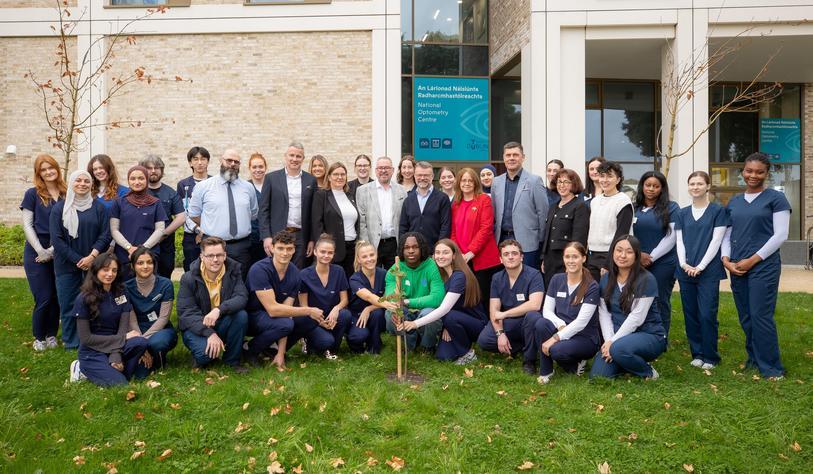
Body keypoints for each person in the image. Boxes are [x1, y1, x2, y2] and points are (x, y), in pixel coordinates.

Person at [722, 152, 790, 380]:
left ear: (767, 174)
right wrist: (726, 261)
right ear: (743, 172)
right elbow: (727, 234)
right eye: (749, 171)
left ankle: (772, 368)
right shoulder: (734, 201)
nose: (753, 175)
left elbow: (780, 235)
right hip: (737, 266)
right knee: (746, 316)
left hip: (763, 266)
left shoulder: (776, 199)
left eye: (759, 172)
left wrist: (753, 259)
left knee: (760, 315)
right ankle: (753, 359)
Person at [396, 239, 486, 364]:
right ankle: (458, 343)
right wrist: (447, 327)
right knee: (443, 356)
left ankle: (467, 354)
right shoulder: (442, 275)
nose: (440, 256)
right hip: (454, 321)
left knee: (449, 315)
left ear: (454, 255)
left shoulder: (459, 276)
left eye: (445, 253)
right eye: (437, 253)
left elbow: (444, 309)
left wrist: (414, 323)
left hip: (475, 324)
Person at [589, 235, 666, 380]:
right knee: (598, 376)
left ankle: (648, 372)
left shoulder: (646, 279)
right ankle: (626, 361)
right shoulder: (606, 279)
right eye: (619, 250)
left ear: (636, 255)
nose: (622, 255)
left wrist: (613, 343)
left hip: (648, 334)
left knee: (619, 350)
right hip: (618, 337)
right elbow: (604, 313)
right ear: (612, 252)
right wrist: (608, 341)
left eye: (629, 252)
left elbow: (637, 318)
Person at [68, 253, 150, 386]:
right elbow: (86, 339)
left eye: (114, 270)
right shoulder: (83, 299)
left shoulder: (122, 292)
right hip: (93, 351)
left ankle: (112, 369)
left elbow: (122, 328)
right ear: (96, 270)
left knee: (140, 342)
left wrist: (115, 356)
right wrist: (123, 339)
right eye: (105, 270)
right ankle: (81, 368)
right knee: (121, 384)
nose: (110, 274)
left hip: (116, 347)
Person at [50, 170, 112, 349]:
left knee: (92, 302)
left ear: (91, 184)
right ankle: (71, 342)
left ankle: (91, 340)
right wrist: (79, 260)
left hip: (93, 264)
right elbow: (57, 240)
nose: (82, 184)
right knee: (69, 304)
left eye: (86, 181)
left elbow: (105, 234)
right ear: (71, 183)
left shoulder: (99, 207)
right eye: (78, 180)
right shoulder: (60, 208)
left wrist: (92, 257)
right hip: (66, 265)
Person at [675, 171, 728, 370]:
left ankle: (711, 356)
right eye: (692, 183)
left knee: (707, 314)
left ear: (707, 187)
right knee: (691, 314)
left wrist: (700, 267)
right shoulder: (682, 213)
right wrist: (683, 265)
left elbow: (716, 241)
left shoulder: (717, 211)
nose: (695, 187)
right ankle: (696, 353)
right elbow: (679, 241)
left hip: (708, 271)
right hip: (685, 271)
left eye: (699, 183)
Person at [177, 237, 249, 372]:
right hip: (196, 327)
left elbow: (241, 297)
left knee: (241, 316)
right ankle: (203, 354)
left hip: (220, 321)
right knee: (205, 356)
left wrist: (219, 310)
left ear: (225, 255)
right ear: (202, 256)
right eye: (210, 255)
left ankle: (232, 361)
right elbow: (186, 313)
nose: (215, 260)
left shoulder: (233, 271)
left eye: (219, 255)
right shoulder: (189, 278)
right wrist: (210, 334)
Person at [534, 242, 600, 384]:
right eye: (567, 257)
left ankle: (576, 364)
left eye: (575, 257)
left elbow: (581, 323)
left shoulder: (592, 286)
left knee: (557, 350)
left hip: (584, 337)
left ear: (583, 258)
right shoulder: (557, 279)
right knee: (540, 323)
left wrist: (555, 338)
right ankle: (546, 371)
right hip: (562, 330)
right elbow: (547, 310)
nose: (571, 261)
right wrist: (560, 324)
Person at [188, 149, 258, 280]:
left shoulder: (248, 187)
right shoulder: (203, 187)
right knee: (213, 283)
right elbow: (194, 214)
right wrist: (212, 225)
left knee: (240, 283)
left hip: (241, 247)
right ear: (221, 161)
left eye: (236, 162)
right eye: (229, 160)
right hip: (212, 246)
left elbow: (253, 214)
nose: (232, 164)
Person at [477, 239, 544, 374]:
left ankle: (529, 360)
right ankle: (519, 346)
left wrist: (505, 314)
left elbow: (535, 304)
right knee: (484, 341)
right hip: (509, 322)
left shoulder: (534, 275)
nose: (511, 257)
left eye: (514, 253)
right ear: (501, 259)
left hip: (527, 321)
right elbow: (494, 310)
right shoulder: (497, 278)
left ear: (521, 257)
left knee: (533, 316)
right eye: (506, 254)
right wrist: (500, 334)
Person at [243, 230, 309, 370]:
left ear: (294, 250)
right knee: (287, 323)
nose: (285, 253)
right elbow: (273, 310)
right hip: (251, 317)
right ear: (272, 248)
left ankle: (273, 349)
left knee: (305, 320)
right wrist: (308, 310)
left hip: (276, 318)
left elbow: (287, 312)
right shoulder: (259, 269)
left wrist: (281, 354)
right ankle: (250, 349)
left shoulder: (295, 273)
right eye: (280, 248)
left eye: (289, 249)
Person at [21, 153, 66, 351]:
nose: (48, 172)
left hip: (60, 248)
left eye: (51, 168)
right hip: (36, 251)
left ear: (57, 169)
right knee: (44, 296)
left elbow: (70, 225)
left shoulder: (66, 193)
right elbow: (27, 224)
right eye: (43, 169)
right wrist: (41, 250)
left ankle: (51, 334)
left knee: (57, 295)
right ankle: (38, 336)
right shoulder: (32, 194)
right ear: (38, 173)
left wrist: (53, 249)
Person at [633, 171, 679, 340]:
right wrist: (638, 256)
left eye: (656, 186)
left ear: (662, 188)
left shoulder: (671, 207)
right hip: (636, 261)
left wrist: (651, 257)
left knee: (659, 300)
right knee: (637, 299)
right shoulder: (634, 207)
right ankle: (641, 335)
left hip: (662, 263)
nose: (651, 189)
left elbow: (671, 236)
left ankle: (661, 337)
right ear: (642, 186)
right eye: (648, 185)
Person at [258, 141, 318, 269]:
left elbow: (313, 213)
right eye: (291, 155)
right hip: (277, 234)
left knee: (298, 271)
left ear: (303, 159)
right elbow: (263, 210)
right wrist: (266, 237)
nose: (294, 159)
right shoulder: (271, 178)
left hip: (301, 236)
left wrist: (312, 239)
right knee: (277, 270)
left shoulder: (311, 180)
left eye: (298, 156)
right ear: (285, 156)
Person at [293, 234, 353, 358]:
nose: (326, 255)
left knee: (345, 315)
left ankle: (332, 350)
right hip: (313, 319)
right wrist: (319, 322)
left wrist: (336, 310)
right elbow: (304, 306)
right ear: (315, 251)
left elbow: (344, 299)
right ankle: (308, 341)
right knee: (325, 341)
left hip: (332, 316)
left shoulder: (339, 271)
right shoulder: (304, 274)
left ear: (334, 254)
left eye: (330, 253)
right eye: (322, 252)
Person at [384, 232, 445, 352]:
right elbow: (390, 295)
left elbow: (437, 297)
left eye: (415, 247)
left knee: (430, 315)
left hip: (425, 309)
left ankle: (427, 346)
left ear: (422, 248)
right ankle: (410, 344)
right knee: (389, 313)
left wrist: (407, 301)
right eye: (407, 247)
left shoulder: (431, 267)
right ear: (402, 250)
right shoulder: (396, 268)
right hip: (406, 312)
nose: (411, 251)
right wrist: (395, 304)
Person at [491, 141, 549, 268]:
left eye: (515, 155)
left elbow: (543, 213)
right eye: (508, 155)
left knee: (527, 279)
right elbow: (494, 213)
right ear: (503, 158)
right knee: (504, 280)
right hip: (502, 241)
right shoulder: (496, 182)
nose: (511, 158)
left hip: (527, 242)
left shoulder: (534, 181)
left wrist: (539, 240)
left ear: (523, 157)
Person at [450, 167, 501, 307]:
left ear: (475, 183)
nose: (466, 183)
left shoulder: (483, 199)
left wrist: (471, 252)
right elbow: (453, 231)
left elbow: (486, 228)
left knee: (483, 298)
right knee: (466, 298)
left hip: (482, 259)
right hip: (463, 259)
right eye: (463, 180)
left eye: (470, 180)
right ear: (459, 183)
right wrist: (459, 254)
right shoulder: (455, 203)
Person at [123, 247, 177, 377]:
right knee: (140, 375)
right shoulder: (126, 287)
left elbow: (163, 318)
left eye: (149, 262)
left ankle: (158, 358)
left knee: (158, 343)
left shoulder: (165, 284)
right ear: (133, 266)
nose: (145, 266)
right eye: (140, 263)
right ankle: (146, 359)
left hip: (160, 329)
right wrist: (139, 340)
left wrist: (143, 343)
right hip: (136, 330)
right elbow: (131, 318)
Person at [110, 166, 168, 280]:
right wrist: (129, 247)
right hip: (124, 255)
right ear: (128, 180)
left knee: (149, 289)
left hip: (149, 255)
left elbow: (160, 229)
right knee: (123, 290)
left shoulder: (156, 203)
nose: (137, 182)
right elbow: (114, 229)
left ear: (146, 180)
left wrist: (143, 249)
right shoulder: (119, 202)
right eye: (133, 179)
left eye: (141, 178)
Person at [541, 168, 589, 289]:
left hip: (566, 259)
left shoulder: (580, 206)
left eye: (566, 182)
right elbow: (548, 235)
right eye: (559, 182)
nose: (562, 185)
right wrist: (543, 258)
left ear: (574, 184)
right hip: (550, 260)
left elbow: (579, 238)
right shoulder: (553, 207)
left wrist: (572, 261)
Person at [356, 156, 407, 269]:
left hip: (394, 243)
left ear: (393, 170)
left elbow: (404, 219)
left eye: (387, 168)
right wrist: (366, 245)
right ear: (375, 170)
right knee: (373, 277)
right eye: (380, 168)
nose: (383, 170)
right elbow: (362, 221)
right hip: (372, 243)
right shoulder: (363, 190)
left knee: (394, 278)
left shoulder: (402, 190)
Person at [586, 161, 633, 282]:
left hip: (611, 256)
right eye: (602, 176)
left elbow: (621, 234)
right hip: (592, 256)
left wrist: (608, 263)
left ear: (618, 180)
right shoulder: (595, 201)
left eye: (610, 176)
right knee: (592, 294)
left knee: (607, 295)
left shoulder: (623, 201)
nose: (605, 180)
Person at [141, 155, 185, 279]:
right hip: (142, 244)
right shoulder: (136, 192)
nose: (153, 171)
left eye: (157, 167)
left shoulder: (170, 193)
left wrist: (163, 234)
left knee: (164, 279)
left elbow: (181, 217)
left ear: (162, 170)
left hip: (165, 246)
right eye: (149, 168)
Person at [311, 162, 359, 277]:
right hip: (333, 249)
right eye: (336, 174)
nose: (340, 177)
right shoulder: (321, 195)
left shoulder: (350, 195)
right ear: (329, 177)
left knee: (350, 282)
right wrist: (323, 247)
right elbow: (317, 224)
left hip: (352, 248)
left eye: (343, 174)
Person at [346, 241, 390, 354]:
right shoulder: (354, 279)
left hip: (376, 314)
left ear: (376, 255)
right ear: (359, 259)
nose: (369, 259)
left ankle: (374, 347)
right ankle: (356, 344)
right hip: (357, 316)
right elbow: (368, 296)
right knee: (358, 336)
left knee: (378, 313)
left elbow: (388, 296)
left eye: (371, 255)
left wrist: (369, 308)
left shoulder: (384, 274)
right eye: (364, 256)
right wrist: (386, 304)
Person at [399, 161, 451, 250]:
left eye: (426, 175)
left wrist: (439, 249)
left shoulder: (442, 198)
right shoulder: (408, 200)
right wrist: (404, 249)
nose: (422, 178)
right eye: (419, 175)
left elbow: (445, 227)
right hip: (413, 252)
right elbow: (403, 228)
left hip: (435, 252)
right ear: (414, 176)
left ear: (432, 176)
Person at [177, 146, 211, 271]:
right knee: (191, 269)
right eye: (195, 159)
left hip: (212, 233)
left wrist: (207, 228)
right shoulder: (183, 184)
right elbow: (185, 211)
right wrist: (197, 229)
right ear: (190, 162)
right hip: (191, 235)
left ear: (208, 161)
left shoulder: (215, 182)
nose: (200, 162)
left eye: (203, 159)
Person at [247, 152, 268, 265]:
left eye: (260, 166)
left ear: (265, 168)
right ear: (249, 168)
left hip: (268, 237)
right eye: (254, 167)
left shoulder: (272, 186)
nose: (258, 170)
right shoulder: (245, 187)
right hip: (251, 237)